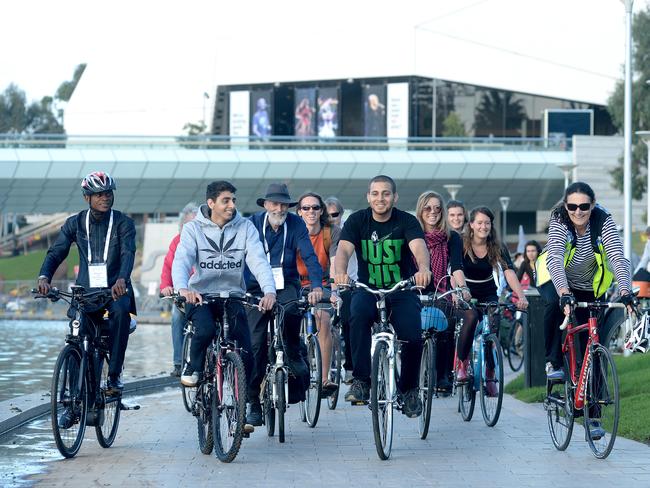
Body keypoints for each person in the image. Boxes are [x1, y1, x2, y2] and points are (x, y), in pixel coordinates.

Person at [172, 181, 276, 432]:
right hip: (201, 295)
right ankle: (193, 367)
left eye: (233, 200)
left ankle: (241, 407)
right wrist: (183, 288)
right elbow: (182, 259)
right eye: (226, 201)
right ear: (211, 204)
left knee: (247, 352)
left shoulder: (245, 227)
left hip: (233, 295)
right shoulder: (193, 229)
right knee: (205, 330)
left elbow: (258, 260)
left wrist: (269, 291)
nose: (232, 205)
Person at [536, 182, 634, 439]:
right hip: (555, 280)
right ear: (565, 205)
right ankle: (553, 361)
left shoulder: (603, 220)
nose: (578, 212)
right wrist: (564, 293)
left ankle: (594, 417)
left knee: (594, 349)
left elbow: (616, 256)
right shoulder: (560, 220)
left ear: (592, 204)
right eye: (572, 206)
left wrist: (625, 290)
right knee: (552, 306)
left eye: (584, 206)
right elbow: (555, 259)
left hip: (589, 287)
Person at [334, 175, 432, 418]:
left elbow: (419, 247)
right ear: (368, 197)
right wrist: (340, 272)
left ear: (394, 197)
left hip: (401, 290)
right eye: (375, 193)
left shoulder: (406, 221)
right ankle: (361, 381)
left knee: (412, 335)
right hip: (368, 288)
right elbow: (344, 249)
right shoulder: (357, 220)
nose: (380, 198)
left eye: (386, 193)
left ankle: (409, 390)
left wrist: (423, 269)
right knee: (356, 317)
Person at [37, 171, 136, 395]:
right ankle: (72, 403)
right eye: (98, 194)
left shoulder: (124, 223)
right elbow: (56, 252)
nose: (105, 198)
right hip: (86, 293)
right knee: (76, 336)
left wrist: (121, 279)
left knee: (121, 314)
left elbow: (128, 252)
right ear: (87, 198)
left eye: (108, 193)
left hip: (115, 290)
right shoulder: (74, 223)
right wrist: (45, 277)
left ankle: (114, 375)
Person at [245, 182, 324, 426]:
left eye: (283, 204)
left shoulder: (296, 223)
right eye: (275, 203)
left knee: (292, 310)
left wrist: (317, 285)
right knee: (255, 344)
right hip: (255, 285)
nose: (279, 208)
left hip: (286, 283)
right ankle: (253, 402)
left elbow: (309, 256)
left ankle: (292, 350)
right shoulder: (252, 224)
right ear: (266, 205)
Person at [456, 207, 528, 393]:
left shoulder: (497, 246)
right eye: (479, 222)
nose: (483, 226)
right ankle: (462, 364)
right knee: (471, 318)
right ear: (471, 224)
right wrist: (460, 291)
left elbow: (509, 272)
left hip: (487, 291)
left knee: (492, 324)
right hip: (465, 290)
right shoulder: (461, 243)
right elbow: (455, 269)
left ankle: (490, 372)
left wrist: (521, 295)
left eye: (487, 223)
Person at [415, 191, 470, 395]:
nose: (433, 212)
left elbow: (456, 266)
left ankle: (442, 376)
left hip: (440, 289)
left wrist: (462, 288)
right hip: (414, 289)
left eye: (438, 208)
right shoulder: (413, 233)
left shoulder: (452, 237)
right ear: (421, 210)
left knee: (446, 328)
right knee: (410, 335)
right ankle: (410, 379)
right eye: (428, 208)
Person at [296, 192, 341, 395]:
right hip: (295, 285)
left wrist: (334, 291)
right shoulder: (293, 231)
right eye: (306, 208)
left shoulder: (329, 232)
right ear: (299, 212)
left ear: (321, 210)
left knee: (323, 320)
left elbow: (335, 264)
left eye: (315, 208)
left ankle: (324, 379)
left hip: (321, 284)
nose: (311, 212)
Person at [160, 202, 199, 377]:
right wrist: (166, 287)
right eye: (187, 225)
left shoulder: (206, 240)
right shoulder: (176, 242)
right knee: (177, 318)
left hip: (203, 292)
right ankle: (178, 362)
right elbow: (168, 266)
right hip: (183, 293)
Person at [325, 196, 357, 383]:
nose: (331, 219)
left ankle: (350, 367)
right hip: (325, 285)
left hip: (349, 285)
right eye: (327, 215)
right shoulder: (322, 233)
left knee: (349, 321)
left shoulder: (348, 232)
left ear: (341, 214)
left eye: (334, 214)